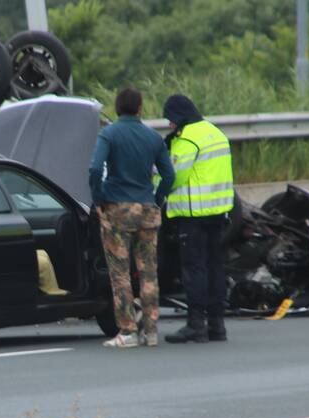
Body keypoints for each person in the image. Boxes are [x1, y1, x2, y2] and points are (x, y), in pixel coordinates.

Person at [89, 87, 175, 348]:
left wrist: (99, 198)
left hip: (118, 210)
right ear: (139, 108)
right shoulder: (153, 137)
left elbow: (95, 168)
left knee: (120, 274)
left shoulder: (109, 134)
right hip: (147, 209)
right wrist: (157, 198)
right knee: (149, 272)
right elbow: (169, 175)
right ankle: (151, 331)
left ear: (117, 108)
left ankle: (128, 331)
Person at [161, 94, 234, 344]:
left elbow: (174, 177)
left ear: (179, 116)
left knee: (194, 270)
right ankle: (217, 326)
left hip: (193, 215)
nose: (170, 124)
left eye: (170, 119)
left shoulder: (187, 138)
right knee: (215, 267)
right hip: (218, 212)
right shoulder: (215, 133)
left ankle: (196, 325)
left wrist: (155, 184)